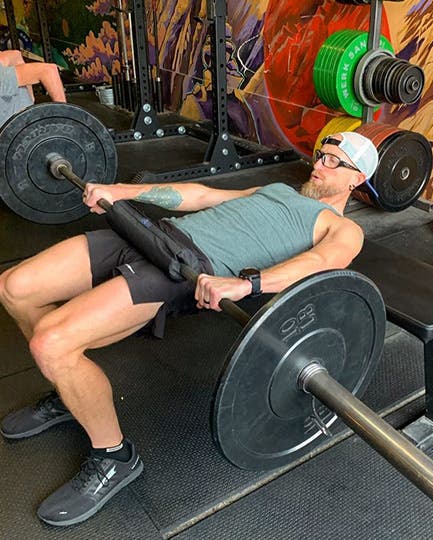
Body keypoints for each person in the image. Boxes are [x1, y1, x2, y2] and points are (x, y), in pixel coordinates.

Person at [0, 131, 379, 526]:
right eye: (321, 156)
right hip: (150, 235)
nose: (319, 165)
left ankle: (114, 457)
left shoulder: (344, 229)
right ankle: (68, 392)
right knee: (14, 288)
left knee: (52, 343)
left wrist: (248, 283)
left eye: (334, 162)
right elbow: (199, 195)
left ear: (356, 179)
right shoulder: (278, 189)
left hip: (184, 268)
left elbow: (322, 261)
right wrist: (123, 190)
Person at [0, 49, 66, 126]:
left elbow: (48, 70)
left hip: (24, 129)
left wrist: (64, 119)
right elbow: (15, 54)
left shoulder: (3, 78)